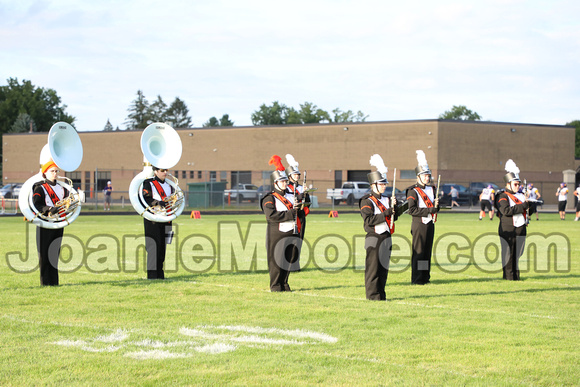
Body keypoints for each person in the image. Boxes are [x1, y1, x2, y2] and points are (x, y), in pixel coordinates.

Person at [261, 155, 305, 292]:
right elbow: (271, 216)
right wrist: (291, 214)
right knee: (277, 261)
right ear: (275, 183)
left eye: (286, 181)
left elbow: (299, 210)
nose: (285, 184)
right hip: (277, 233)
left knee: (288, 259)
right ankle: (275, 285)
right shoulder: (269, 198)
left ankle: (284, 283)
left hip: (292, 231)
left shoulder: (291, 195)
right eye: (282, 182)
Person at [359, 154, 399, 300]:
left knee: (383, 269)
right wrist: (387, 212)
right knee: (373, 269)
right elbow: (369, 220)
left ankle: (381, 294)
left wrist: (396, 207)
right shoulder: (366, 201)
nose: (384, 186)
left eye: (384, 184)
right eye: (381, 184)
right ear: (373, 185)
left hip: (386, 236)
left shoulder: (387, 199)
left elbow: (394, 217)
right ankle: (372, 295)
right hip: (373, 237)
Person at [406, 150, 439, 285]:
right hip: (419, 224)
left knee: (426, 252)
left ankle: (425, 277)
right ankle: (417, 279)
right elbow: (412, 209)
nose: (427, 177)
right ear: (418, 176)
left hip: (430, 223)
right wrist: (431, 209)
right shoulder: (412, 191)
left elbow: (435, 206)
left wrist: (437, 207)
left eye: (428, 175)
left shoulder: (432, 189)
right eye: (425, 175)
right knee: (419, 252)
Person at [33, 159, 68, 286]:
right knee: (44, 254)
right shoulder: (40, 187)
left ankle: (54, 282)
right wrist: (48, 209)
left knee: (54, 253)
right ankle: (45, 282)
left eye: (56, 171)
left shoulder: (62, 188)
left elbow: (68, 203)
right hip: (45, 222)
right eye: (52, 171)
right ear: (45, 173)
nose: (55, 173)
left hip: (58, 223)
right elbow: (37, 204)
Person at [495, 159, 529, 281]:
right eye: (515, 184)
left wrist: (530, 204)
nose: (518, 186)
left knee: (518, 253)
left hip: (520, 228)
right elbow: (506, 211)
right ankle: (509, 277)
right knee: (508, 254)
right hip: (508, 228)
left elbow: (527, 210)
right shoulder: (502, 195)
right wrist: (523, 206)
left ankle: (516, 276)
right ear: (508, 184)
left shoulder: (521, 195)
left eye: (519, 184)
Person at [142, 167, 174, 279]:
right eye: (162, 170)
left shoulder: (170, 185)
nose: (165, 173)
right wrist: (159, 203)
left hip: (166, 219)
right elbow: (146, 198)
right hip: (153, 219)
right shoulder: (148, 183)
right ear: (155, 171)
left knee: (162, 248)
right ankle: (152, 276)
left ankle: (160, 275)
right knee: (153, 248)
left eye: (166, 170)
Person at [285, 154, 311, 272]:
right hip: (290, 216)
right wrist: (300, 195)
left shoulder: (301, 187)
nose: (298, 176)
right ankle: (287, 263)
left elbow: (307, 202)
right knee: (289, 240)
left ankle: (295, 264)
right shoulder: (286, 189)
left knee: (299, 240)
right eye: (295, 174)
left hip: (300, 216)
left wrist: (306, 194)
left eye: (298, 174)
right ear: (290, 176)